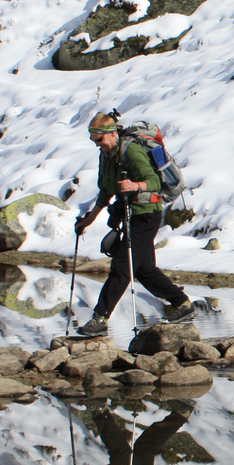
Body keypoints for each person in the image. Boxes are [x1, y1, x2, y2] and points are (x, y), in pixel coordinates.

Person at [73, 113, 193, 336]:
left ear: (111, 133)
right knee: (145, 270)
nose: (98, 146)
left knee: (122, 267)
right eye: (94, 141)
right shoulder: (106, 155)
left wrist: (135, 185)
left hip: (147, 214)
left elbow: (155, 181)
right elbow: (106, 191)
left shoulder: (132, 150)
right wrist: (89, 220)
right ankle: (182, 304)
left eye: (99, 140)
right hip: (131, 214)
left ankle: (100, 318)